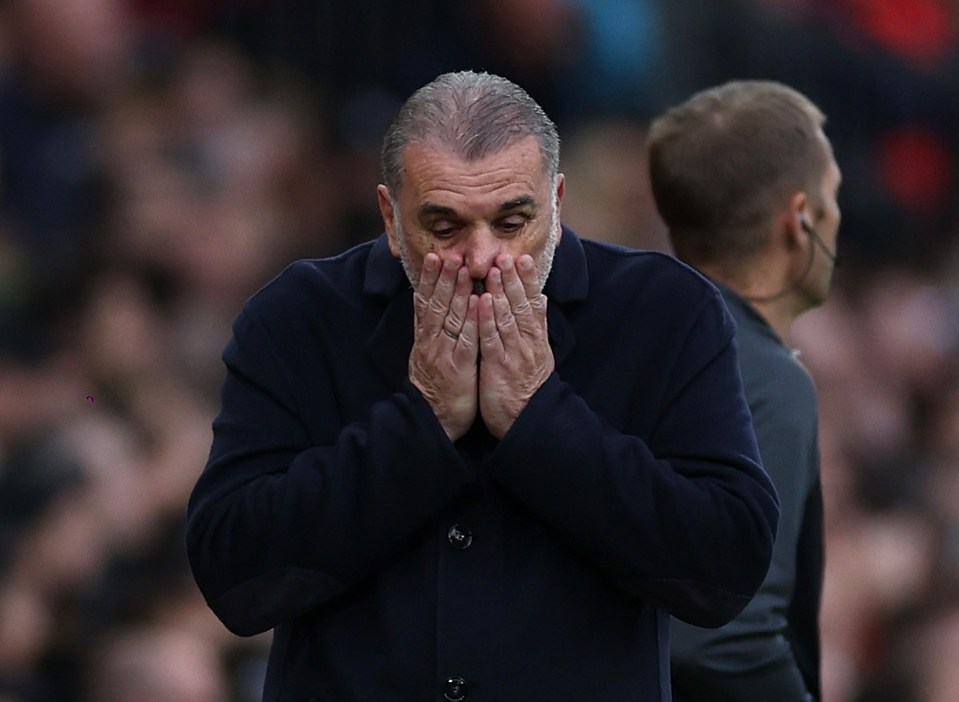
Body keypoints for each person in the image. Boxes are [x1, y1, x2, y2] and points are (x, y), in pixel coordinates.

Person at [185, 70, 779, 702]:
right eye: (443, 227)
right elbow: (235, 577)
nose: (480, 257)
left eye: (512, 221)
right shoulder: (299, 317)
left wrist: (541, 418)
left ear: (557, 201)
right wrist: (421, 421)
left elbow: (726, 568)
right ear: (389, 216)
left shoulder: (665, 313)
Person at [646, 80, 842, 701]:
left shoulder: (640, 347)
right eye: (834, 196)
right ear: (801, 218)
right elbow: (723, 633)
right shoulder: (759, 377)